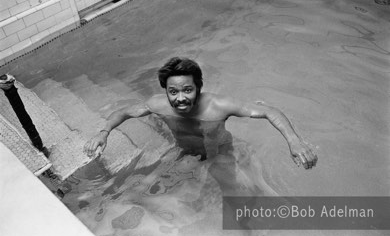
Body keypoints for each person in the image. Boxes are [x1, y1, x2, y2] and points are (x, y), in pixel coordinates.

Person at [84, 57, 317, 170]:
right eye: (173, 91)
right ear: (165, 91)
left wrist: (294, 141)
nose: (180, 98)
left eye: (188, 90)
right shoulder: (157, 104)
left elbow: (268, 111)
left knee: (230, 192)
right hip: (184, 150)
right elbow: (124, 112)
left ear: (198, 87)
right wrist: (103, 133)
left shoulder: (218, 106)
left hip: (220, 152)